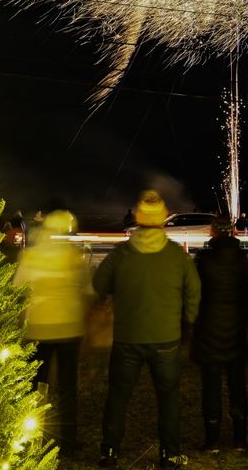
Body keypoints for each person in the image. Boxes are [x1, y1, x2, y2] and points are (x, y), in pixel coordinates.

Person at [94, 190, 201, 469]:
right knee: (168, 397)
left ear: (138, 220)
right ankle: (170, 454)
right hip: (166, 338)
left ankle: (109, 451)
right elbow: (194, 292)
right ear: (163, 221)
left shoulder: (122, 254)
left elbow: (99, 284)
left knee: (118, 395)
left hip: (127, 337)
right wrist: (188, 321)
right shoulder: (176, 256)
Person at [14, 210, 90, 454]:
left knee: (35, 383)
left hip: (37, 327)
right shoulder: (73, 256)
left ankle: (30, 438)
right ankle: (68, 441)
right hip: (69, 327)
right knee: (68, 385)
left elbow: (18, 288)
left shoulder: (31, 256)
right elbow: (87, 289)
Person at [190, 218, 248, 451]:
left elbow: (196, 292)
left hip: (209, 328)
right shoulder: (241, 259)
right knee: (238, 385)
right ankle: (240, 438)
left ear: (214, 232)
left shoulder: (204, 259)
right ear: (232, 232)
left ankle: (212, 438)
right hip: (236, 329)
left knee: (211, 386)